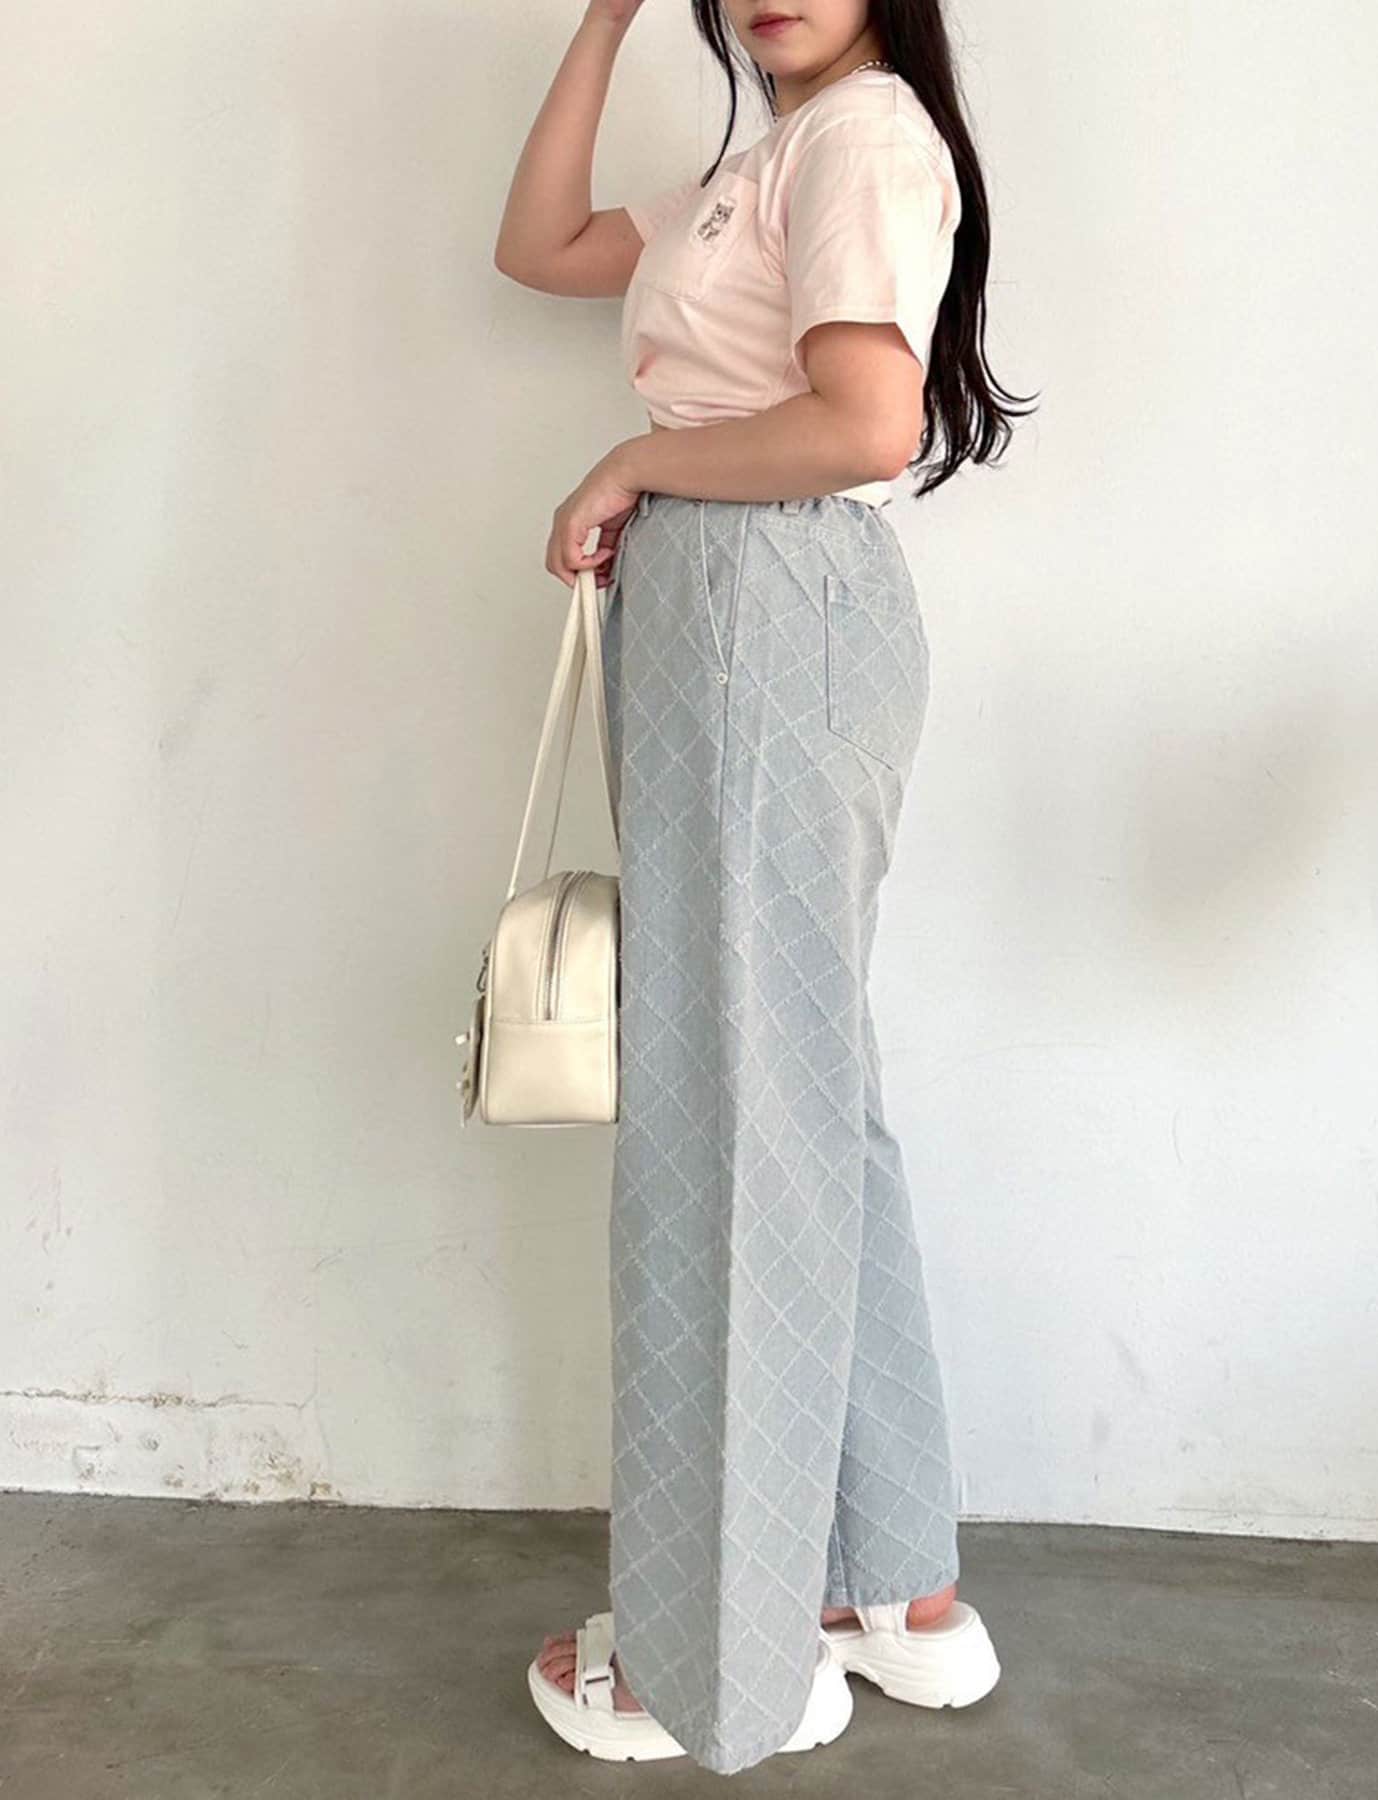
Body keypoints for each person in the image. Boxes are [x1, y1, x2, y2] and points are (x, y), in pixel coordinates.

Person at [493, 0, 1035, 1775]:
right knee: (803, 1099)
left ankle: (718, 1654)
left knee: (735, 1116)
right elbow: (537, 245)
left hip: (762, 614)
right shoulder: (766, 160)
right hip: (744, 618)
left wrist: (629, 458)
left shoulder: (861, 138)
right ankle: (893, 1587)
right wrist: (608, 15)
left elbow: (868, 423)